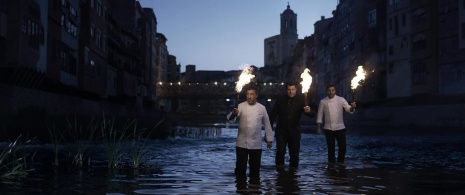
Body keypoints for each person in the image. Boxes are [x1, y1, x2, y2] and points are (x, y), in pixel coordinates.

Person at [227, 85, 273, 177]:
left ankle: (255, 189)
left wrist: (269, 139)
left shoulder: (261, 108)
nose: (249, 96)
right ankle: (240, 189)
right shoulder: (240, 106)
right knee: (240, 170)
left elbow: (267, 124)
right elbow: (229, 119)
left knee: (255, 170)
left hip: (256, 144)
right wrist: (233, 113)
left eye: (252, 94)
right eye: (247, 94)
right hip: (241, 143)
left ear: (256, 95)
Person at [269, 82, 314, 169]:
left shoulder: (301, 101)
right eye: (289, 89)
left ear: (296, 90)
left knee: (294, 155)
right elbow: (272, 116)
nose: (291, 92)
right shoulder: (280, 100)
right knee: (280, 152)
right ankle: (279, 174)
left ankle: (293, 176)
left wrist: (309, 111)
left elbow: (312, 114)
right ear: (286, 90)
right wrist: (269, 133)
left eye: (293, 89)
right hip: (281, 132)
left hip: (294, 133)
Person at [316, 84, 356, 166]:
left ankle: (340, 162)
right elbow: (320, 115)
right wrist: (318, 127)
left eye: (332, 90)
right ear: (326, 91)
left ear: (335, 91)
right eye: (329, 90)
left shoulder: (341, 100)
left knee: (343, 147)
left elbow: (349, 109)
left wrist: (352, 107)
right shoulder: (323, 102)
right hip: (328, 128)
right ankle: (331, 164)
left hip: (340, 127)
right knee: (331, 148)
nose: (331, 92)